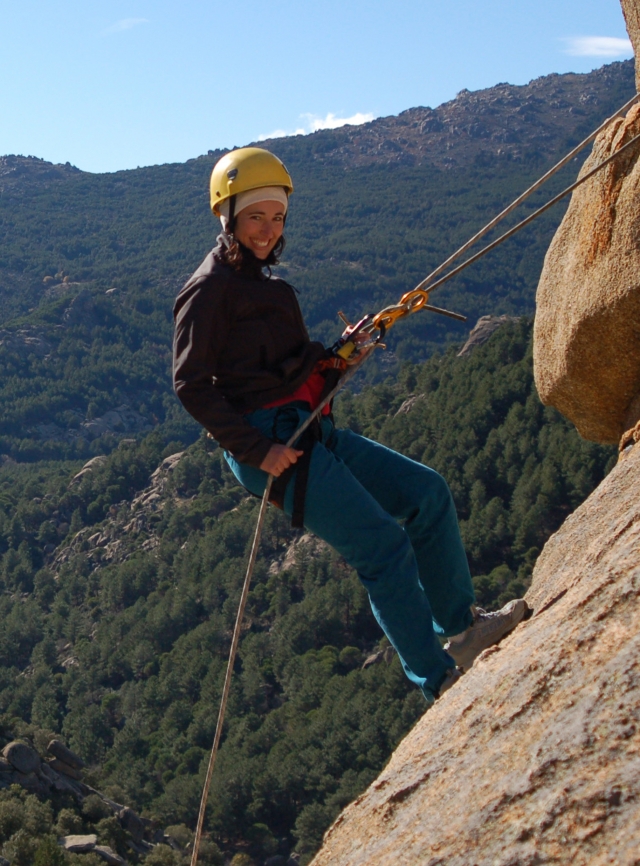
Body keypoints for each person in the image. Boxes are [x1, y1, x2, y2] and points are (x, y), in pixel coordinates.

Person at [173, 147, 528, 706]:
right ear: (229, 218)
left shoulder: (264, 283)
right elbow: (191, 384)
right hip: (272, 446)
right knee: (383, 547)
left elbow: (279, 367)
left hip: (304, 430)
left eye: (277, 217)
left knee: (426, 494)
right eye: (255, 217)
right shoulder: (208, 289)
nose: (268, 230)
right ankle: (436, 679)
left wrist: (339, 358)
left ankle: (461, 629)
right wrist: (257, 450)